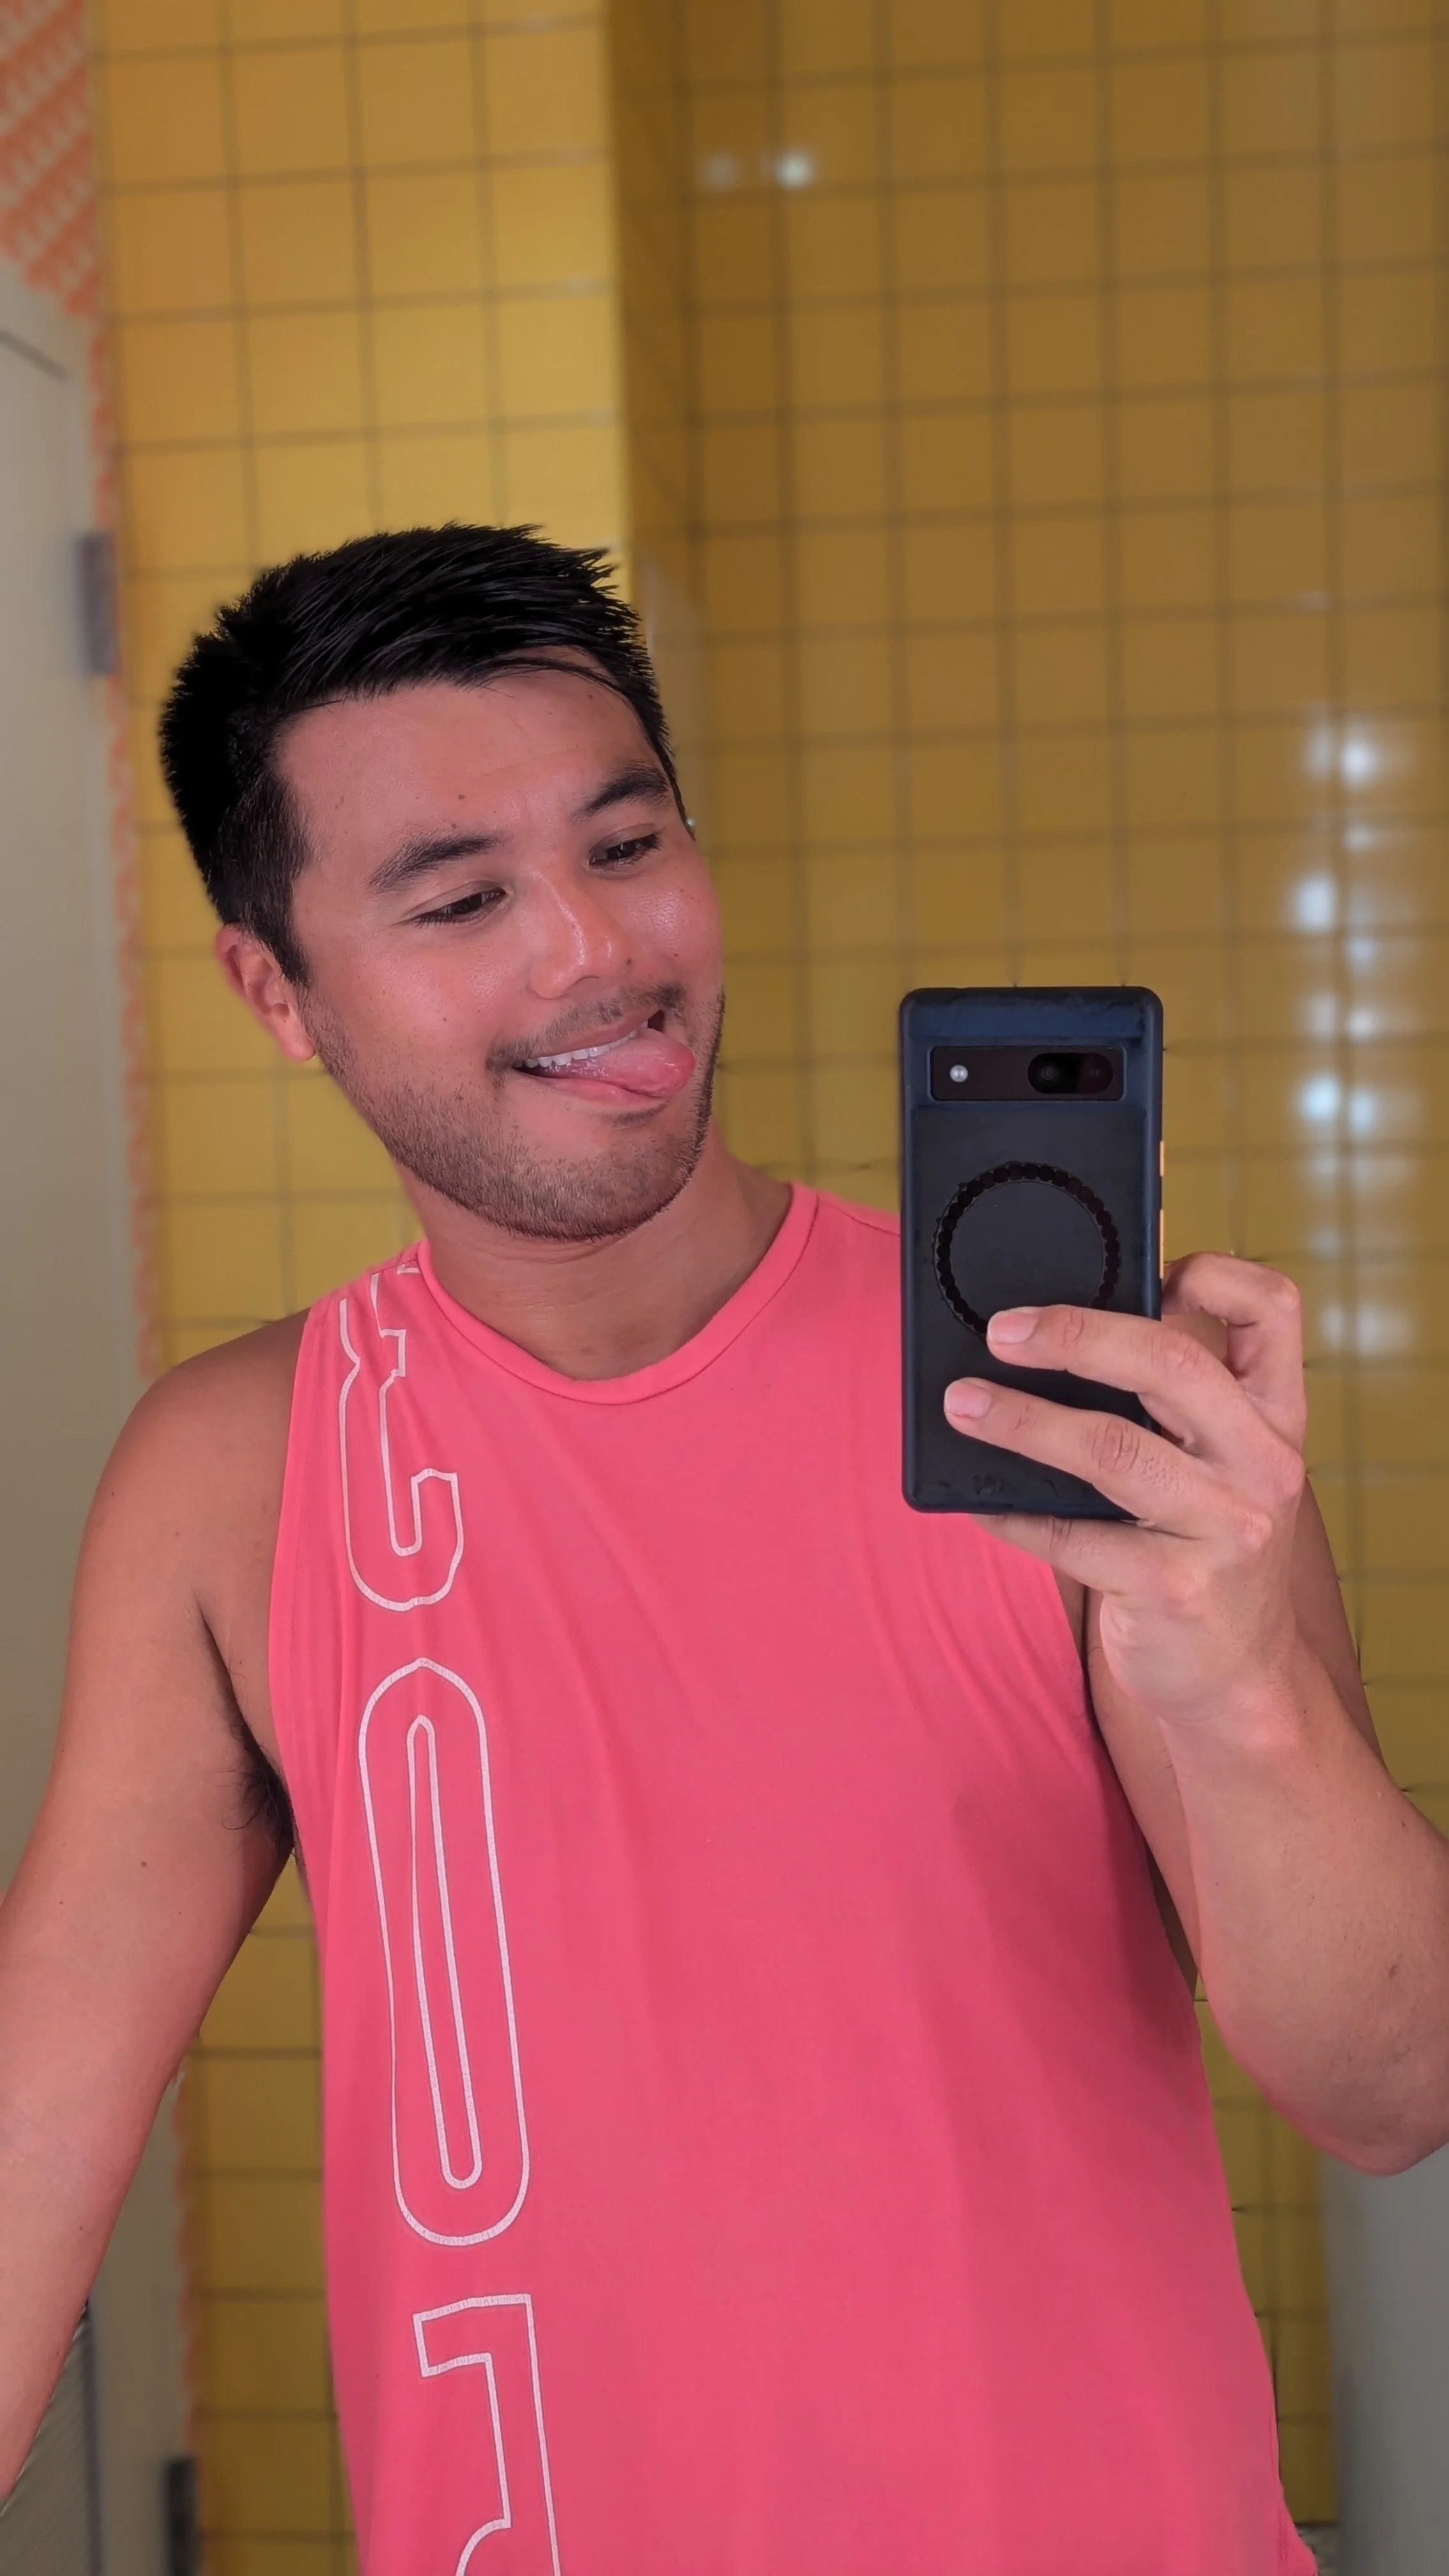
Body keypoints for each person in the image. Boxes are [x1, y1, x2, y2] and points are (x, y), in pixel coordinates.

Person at [1, 525, 1446, 2576]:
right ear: (281, 991)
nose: (594, 951)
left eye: (626, 842)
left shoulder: (1085, 1402)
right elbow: (31, 2142)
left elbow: (1390, 2085)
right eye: (460, 897)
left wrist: (1240, 1692)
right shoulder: (234, 1481)